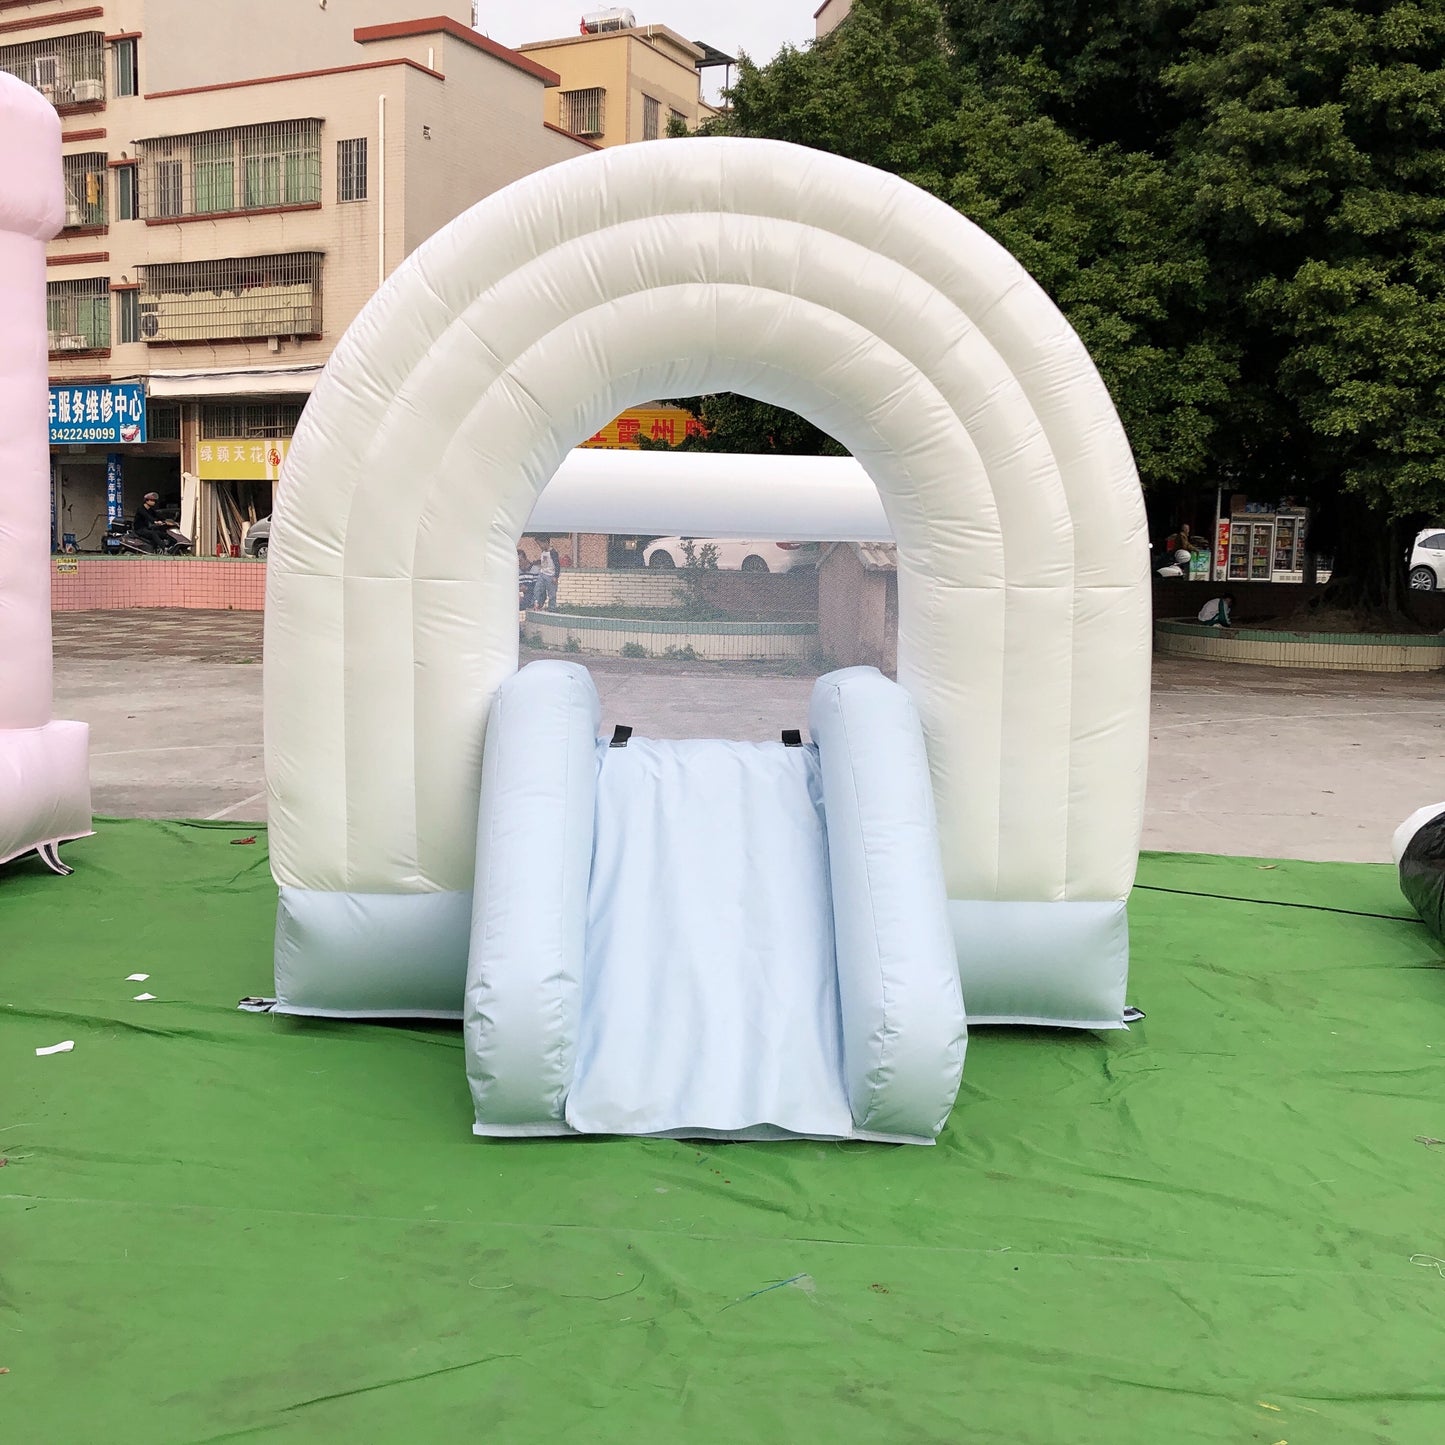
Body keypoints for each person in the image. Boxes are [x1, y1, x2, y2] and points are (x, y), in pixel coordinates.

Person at [535, 537, 561, 610]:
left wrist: (556, 576)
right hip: (542, 574)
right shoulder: (543, 552)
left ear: (546, 542)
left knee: (552, 594)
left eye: (540, 544)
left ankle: (552, 608)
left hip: (551, 575)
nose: (540, 546)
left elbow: (557, 565)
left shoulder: (553, 552)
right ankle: (538, 604)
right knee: (538, 588)